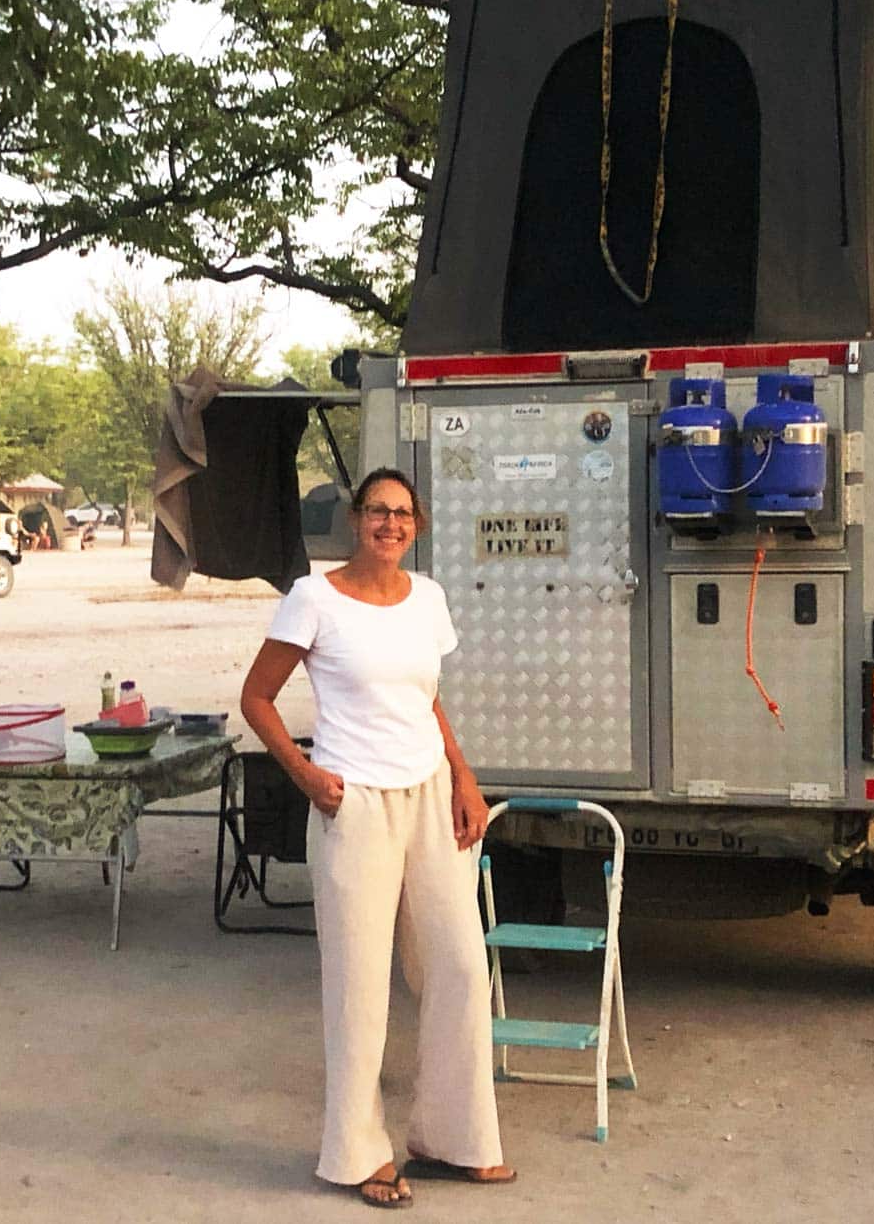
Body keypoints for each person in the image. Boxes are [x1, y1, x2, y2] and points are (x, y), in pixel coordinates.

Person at [239, 466, 513, 1210]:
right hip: (353, 804)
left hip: (429, 796)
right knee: (360, 987)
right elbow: (255, 696)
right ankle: (359, 1154)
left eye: (402, 513)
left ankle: (456, 1140)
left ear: (416, 526)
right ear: (355, 520)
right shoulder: (314, 598)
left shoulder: (427, 598)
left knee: (458, 967)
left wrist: (463, 777)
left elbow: (428, 699)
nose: (389, 523)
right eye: (376, 511)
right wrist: (307, 776)